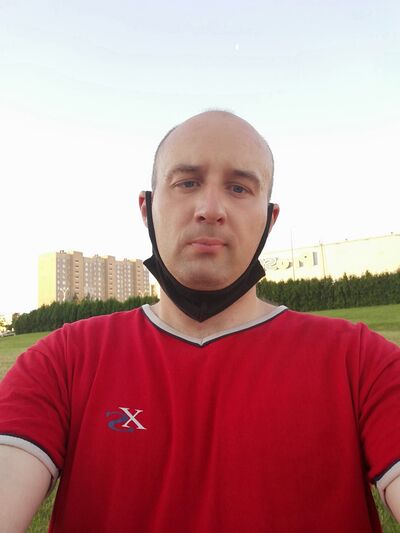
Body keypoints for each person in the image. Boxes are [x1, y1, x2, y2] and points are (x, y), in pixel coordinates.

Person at [0, 110, 399, 532]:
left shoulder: (360, 362)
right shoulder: (64, 360)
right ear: (147, 208)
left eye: (239, 188)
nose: (210, 209)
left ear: (270, 218)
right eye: (187, 182)